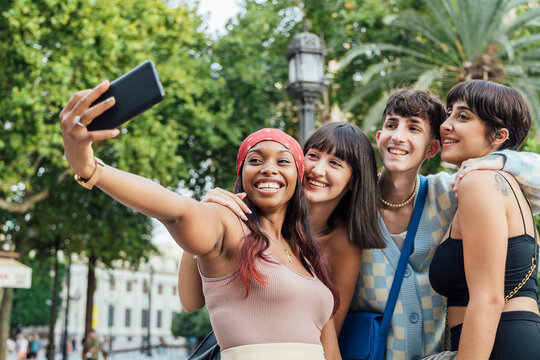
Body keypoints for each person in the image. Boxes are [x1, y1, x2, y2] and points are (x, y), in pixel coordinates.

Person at [180, 90, 540, 359]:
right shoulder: (346, 215)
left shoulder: (453, 193)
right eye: (390, 126)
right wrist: (206, 216)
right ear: (378, 136)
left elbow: (529, 188)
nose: (398, 136)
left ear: (432, 148)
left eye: (413, 128)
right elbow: (322, 333)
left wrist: (499, 160)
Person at [59, 81, 340, 359]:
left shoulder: (309, 253)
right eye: (255, 160)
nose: (268, 169)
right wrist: (89, 168)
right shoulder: (229, 223)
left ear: (298, 177)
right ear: (241, 175)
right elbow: (175, 209)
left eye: (283, 161)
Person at [178, 121, 385, 333]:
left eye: (335, 163)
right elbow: (190, 302)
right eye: (312, 156)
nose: (317, 170)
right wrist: (202, 219)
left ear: (353, 180)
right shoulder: (250, 215)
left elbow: (327, 331)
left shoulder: (341, 243)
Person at [428, 80, 540, 359]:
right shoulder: (508, 184)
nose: (445, 125)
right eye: (449, 113)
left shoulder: (480, 182)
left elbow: (488, 300)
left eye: (463, 117)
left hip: (495, 342)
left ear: (498, 135)